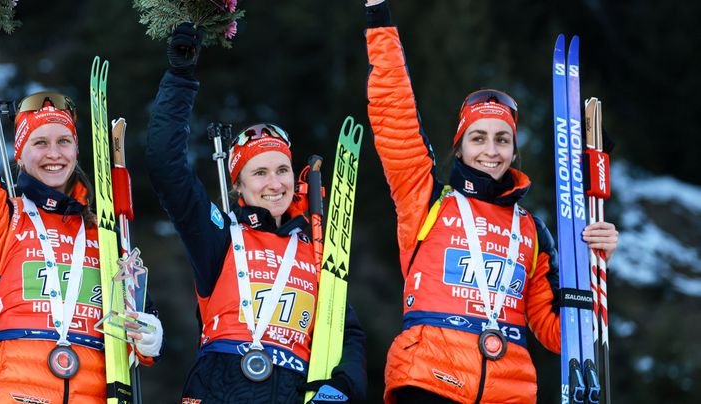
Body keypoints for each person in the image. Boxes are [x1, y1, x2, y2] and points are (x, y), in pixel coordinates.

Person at [362, 1, 620, 402]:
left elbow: (557, 335)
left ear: (514, 151)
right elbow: (394, 113)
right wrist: (378, 16)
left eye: (502, 139)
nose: (491, 150)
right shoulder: (425, 199)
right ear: (460, 149)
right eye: (478, 137)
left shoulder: (533, 232)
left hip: (508, 390)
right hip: (428, 378)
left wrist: (594, 264)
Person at [0, 6, 164, 403]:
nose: (53, 154)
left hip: (93, 388)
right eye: (39, 143)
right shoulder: (2, 214)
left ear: (78, 150)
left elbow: (135, 315)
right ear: (20, 155)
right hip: (13, 385)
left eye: (63, 142)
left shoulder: (104, 231)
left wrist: (148, 338)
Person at [145, 23, 368, 403]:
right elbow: (166, 166)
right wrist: (180, 79)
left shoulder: (317, 247)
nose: (275, 183)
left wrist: (343, 385)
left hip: (292, 388)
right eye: (259, 173)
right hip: (220, 384)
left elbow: (348, 334)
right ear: (239, 186)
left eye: (282, 170)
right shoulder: (218, 235)